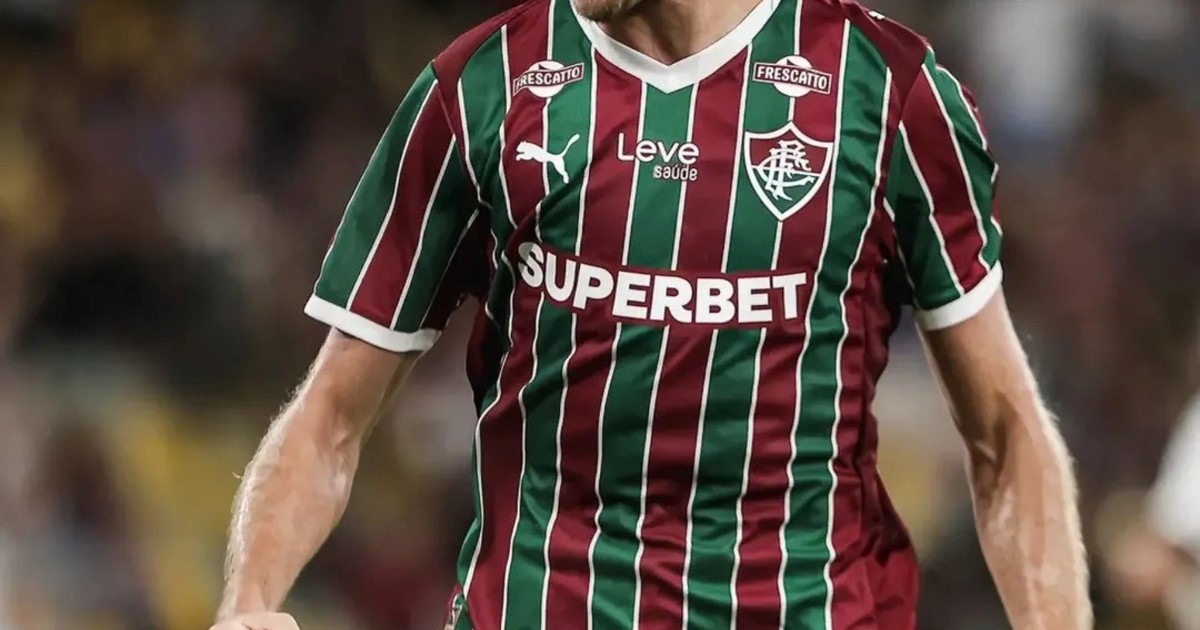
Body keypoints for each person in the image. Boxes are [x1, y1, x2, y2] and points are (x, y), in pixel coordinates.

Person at [211, 0, 1092, 628]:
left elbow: (1005, 436)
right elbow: (330, 416)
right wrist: (246, 604)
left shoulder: (886, 93)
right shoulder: (483, 87)